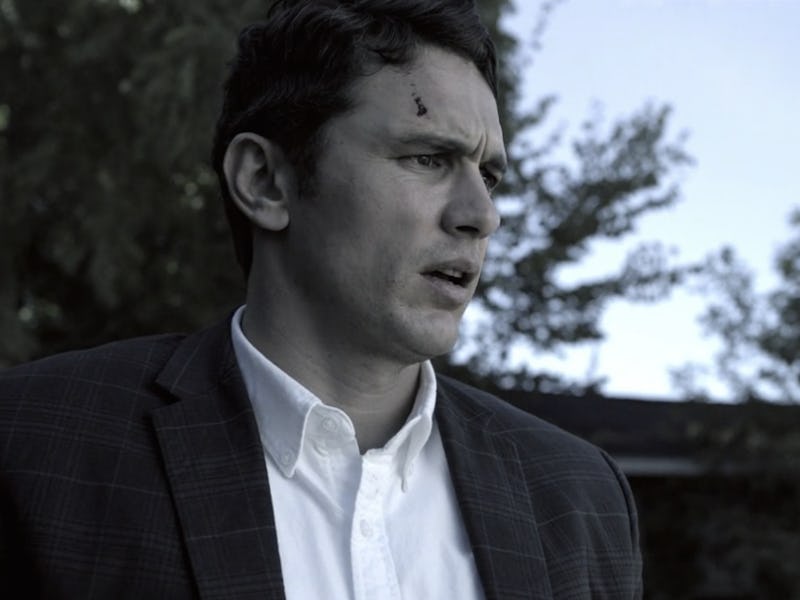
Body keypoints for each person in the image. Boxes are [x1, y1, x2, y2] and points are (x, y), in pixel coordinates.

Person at [0, 1, 642, 598]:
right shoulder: (36, 447)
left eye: (490, 175)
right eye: (427, 158)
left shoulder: (579, 497)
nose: (482, 214)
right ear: (265, 182)